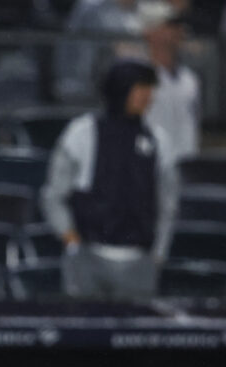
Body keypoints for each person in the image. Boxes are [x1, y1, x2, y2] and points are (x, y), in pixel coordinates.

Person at [41, 59, 179, 301]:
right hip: (88, 258)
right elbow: (54, 195)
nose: (149, 96)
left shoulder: (158, 141)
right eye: (141, 88)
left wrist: (158, 254)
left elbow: (168, 203)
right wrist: (71, 240)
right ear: (121, 89)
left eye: (150, 88)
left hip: (139, 260)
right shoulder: (82, 133)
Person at [141, 2, 201, 161]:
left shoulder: (190, 80)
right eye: (170, 25)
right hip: (150, 165)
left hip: (186, 169)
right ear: (150, 32)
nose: (178, 31)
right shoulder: (139, 78)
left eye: (179, 25)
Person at [56, 0, 143, 102]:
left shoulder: (121, 10)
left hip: (93, 87)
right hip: (78, 87)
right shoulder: (95, 6)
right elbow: (123, 48)